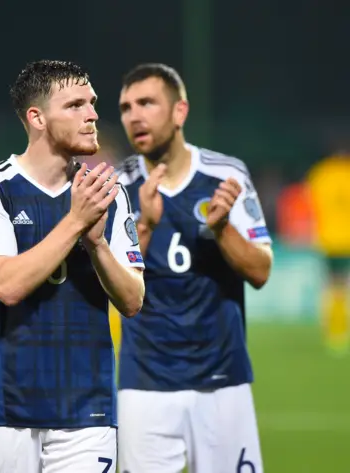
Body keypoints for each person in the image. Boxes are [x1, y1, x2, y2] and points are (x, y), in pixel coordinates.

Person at [0, 60, 145, 473]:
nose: (93, 114)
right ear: (37, 117)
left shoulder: (109, 195)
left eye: (93, 103)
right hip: (3, 408)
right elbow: (6, 285)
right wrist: (76, 223)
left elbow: (134, 299)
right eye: (76, 105)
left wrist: (97, 245)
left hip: (87, 411)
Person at [115, 63, 273, 473]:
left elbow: (260, 271)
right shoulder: (115, 186)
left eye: (147, 103)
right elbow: (109, 286)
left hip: (222, 382)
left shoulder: (226, 175)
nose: (135, 116)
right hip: (144, 384)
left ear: (179, 111)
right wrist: (145, 226)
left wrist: (222, 229)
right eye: (126, 107)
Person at [307, 151, 350, 355]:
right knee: (344, 288)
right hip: (347, 239)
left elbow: (310, 200)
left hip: (327, 238)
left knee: (329, 287)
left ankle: (330, 331)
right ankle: (341, 332)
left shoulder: (321, 173)